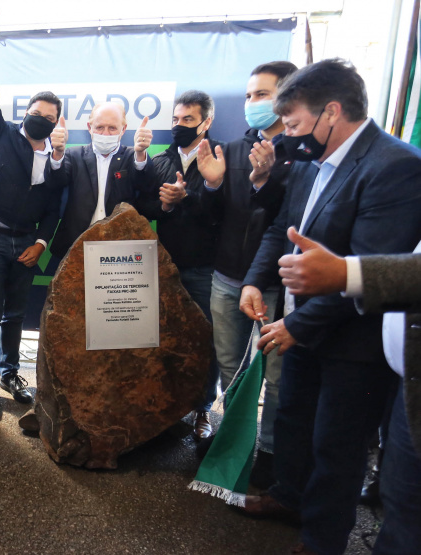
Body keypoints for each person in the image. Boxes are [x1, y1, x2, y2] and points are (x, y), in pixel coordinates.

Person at [238, 59, 421, 555]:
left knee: (336, 447)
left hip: (352, 342)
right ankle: (289, 497)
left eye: (295, 124)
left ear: (331, 113)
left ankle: (322, 539)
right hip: (301, 325)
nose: (288, 135)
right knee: (294, 421)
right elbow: (281, 229)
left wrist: (297, 323)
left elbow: (368, 270)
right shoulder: (308, 164)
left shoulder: (395, 167)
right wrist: (257, 282)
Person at [277, 228, 421, 555]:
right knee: (401, 510)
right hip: (408, 374)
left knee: (406, 517)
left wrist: (347, 273)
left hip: (368, 351)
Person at [199, 62, 297, 485]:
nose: (253, 103)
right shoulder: (232, 150)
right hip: (226, 277)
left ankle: (272, 453)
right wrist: (213, 186)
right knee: (229, 366)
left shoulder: (302, 153)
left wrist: (268, 179)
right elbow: (213, 218)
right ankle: (237, 439)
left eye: (262, 95)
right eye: (249, 95)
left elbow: (285, 224)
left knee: (275, 377)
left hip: (275, 285)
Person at [0, 9, 66, 418]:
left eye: (49, 116)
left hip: (27, 243)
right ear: (24, 111)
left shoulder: (58, 158)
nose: (40, 119)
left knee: (15, 313)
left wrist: (41, 243)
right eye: (36, 112)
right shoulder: (1, 132)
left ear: (58, 122)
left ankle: (11, 374)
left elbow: (54, 207)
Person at [138, 89, 224, 441]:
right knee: (164, 339)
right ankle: (169, 408)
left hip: (206, 268)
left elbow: (226, 213)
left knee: (207, 341)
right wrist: (168, 205)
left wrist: (188, 197)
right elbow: (146, 207)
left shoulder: (222, 156)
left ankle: (203, 409)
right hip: (165, 268)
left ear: (206, 122)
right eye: (175, 119)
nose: (179, 125)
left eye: (187, 120)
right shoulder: (160, 159)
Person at [49, 102, 151, 259]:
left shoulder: (133, 156)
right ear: (89, 127)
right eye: (99, 127)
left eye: (112, 128)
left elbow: (144, 185)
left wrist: (140, 154)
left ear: (123, 129)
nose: (105, 134)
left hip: (120, 249)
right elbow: (55, 182)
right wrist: (57, 152)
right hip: (75, 246)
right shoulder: (73, 155)